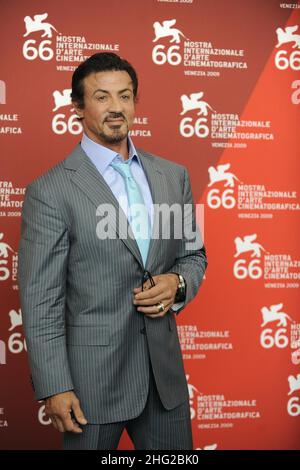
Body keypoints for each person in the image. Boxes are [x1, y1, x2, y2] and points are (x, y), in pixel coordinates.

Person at [18, 52, 207, 450]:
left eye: (125, 96)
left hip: (164, 382)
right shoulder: (51, 191)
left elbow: (194, 255)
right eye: (102, 97)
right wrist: (55, 385)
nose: (116, 107)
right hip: (91, 386)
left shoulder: (173, 176)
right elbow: (41, 299)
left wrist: (177, 282)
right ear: (78, 108)